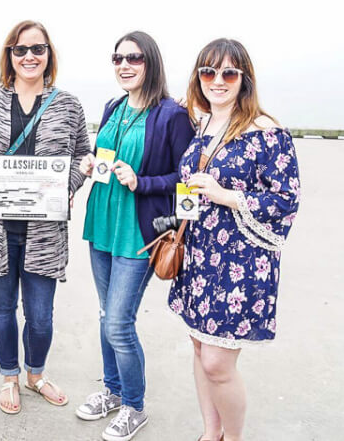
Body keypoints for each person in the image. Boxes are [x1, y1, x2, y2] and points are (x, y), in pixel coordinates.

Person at [167, 38, 300, 441]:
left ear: (245, 79)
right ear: (198, 77)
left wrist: (228, 197)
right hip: (200, 257)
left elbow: (286, 199)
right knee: (198, 349)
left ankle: (234, 438)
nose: (218, 81)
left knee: (217, 365)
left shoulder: (267, 132)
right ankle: (211, 432)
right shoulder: (201, 125)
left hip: (241, 264)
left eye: (228, 73)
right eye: (208, 72)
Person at [0, 20, 92, 415]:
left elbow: (81, 157)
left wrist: (67, 187)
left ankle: (36, 373)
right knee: (1, 308)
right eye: (20, 50)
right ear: (9, 56)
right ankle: (9, 376)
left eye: (37, 49)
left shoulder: (68, 105)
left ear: (49, 55)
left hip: (44, 230)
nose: (29, 56)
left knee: (39, 314)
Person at [76, 31, 195, 441]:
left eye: (134, 58)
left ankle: (134, 406)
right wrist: (94, 163)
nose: (124, 65)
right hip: (102, 226)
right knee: (107, 316)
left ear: (151, 63)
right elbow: (105, 154)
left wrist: (142, 182)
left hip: (139, 234)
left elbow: (188, 177)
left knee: (119, 324)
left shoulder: (171, 115)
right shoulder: (113, 106)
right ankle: (111, 391)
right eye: (118, 58)